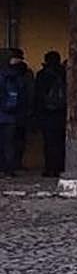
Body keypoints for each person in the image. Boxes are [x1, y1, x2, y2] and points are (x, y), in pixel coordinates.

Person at [35, 51, 67, 178]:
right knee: (60, 142)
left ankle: (50, 168)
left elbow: (37, 96)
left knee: (49, 143)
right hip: (62, 112)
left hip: (47, 113)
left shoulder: (42, 75)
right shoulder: (64, 73)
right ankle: (60, 167)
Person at [0, 49, 30, 178]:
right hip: (12, 116)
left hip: (3, 114)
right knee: (10, 143)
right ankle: (9, 170)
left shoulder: (3, 75)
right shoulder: (18, 75)